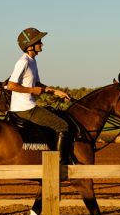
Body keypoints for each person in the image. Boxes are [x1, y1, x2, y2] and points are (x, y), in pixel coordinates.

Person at [6, 27, 73, 163]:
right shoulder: (23, 62)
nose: (42, 44)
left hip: (28, 106)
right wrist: (32, 90)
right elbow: (11, 85)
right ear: (30, 45)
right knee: (62, 126)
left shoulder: (32, 61)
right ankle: (60, 163)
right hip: (25, 109)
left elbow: (37, 84)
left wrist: (56, 92)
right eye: (39, 41)